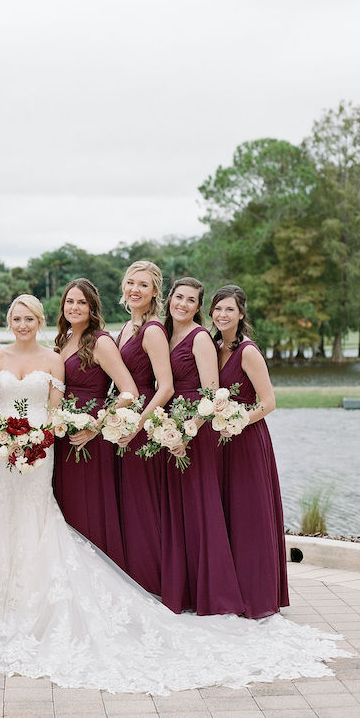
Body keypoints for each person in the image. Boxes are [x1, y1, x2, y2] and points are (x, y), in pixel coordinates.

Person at [0, 293, 346, 694]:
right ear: (9, 320)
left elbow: (74, 403)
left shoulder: (61, 355)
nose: (23, 323)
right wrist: (1, 434)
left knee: (41, 515)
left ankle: (38, 594)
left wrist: (81, 428)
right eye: (17, 318)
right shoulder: (10, 355)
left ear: (40, 319)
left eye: (30, 318)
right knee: (4, 512)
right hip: (5, 450)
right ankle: (5, 596)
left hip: (46, 449)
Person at [160, 277, 244, 616]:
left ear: (198, 307)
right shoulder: (166, 333)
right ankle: (185, 590)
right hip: (170, 426)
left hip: (195, 429)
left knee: (199, 508)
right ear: (170, 300)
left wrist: (189, 430)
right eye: (178, 297)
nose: (182, 304)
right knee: (178, 511)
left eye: (190, 300)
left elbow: (211, 393)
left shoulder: (200, 339)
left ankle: (214, 593)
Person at [210, 285, 289, 618]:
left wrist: (240, 420)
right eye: (217, 309)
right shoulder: (212, 348)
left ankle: (258, 595)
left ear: (241, 314)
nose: (223, 315)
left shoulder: (247, 351)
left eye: (230, 310)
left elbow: (269, 402)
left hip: (247, 441)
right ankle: (230, 591)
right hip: (218, 443)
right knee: (225, 513)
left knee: (250, 515)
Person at [53, 278, 136, 567]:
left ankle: (101, 573)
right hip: (63, 437)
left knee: (90, 507)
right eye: (70, 301)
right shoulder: (62, 342)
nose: (74, 307)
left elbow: (129, 392)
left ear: (92, 308)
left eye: (81, 302)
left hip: (92, 438)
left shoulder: (100, 341)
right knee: (68, 507)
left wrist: (94, 426)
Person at [116, 261, 174, 596]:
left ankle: (152, 583)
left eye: (143, 285)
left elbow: (165, 386)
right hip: (124, 422)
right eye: (130, 283)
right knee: (130, 503)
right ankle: (132, 578)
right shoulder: (125, 328)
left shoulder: (152, 330)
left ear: (154, 293)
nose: (134, 289)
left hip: (143, 424)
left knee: (143, 504)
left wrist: (138, 426)